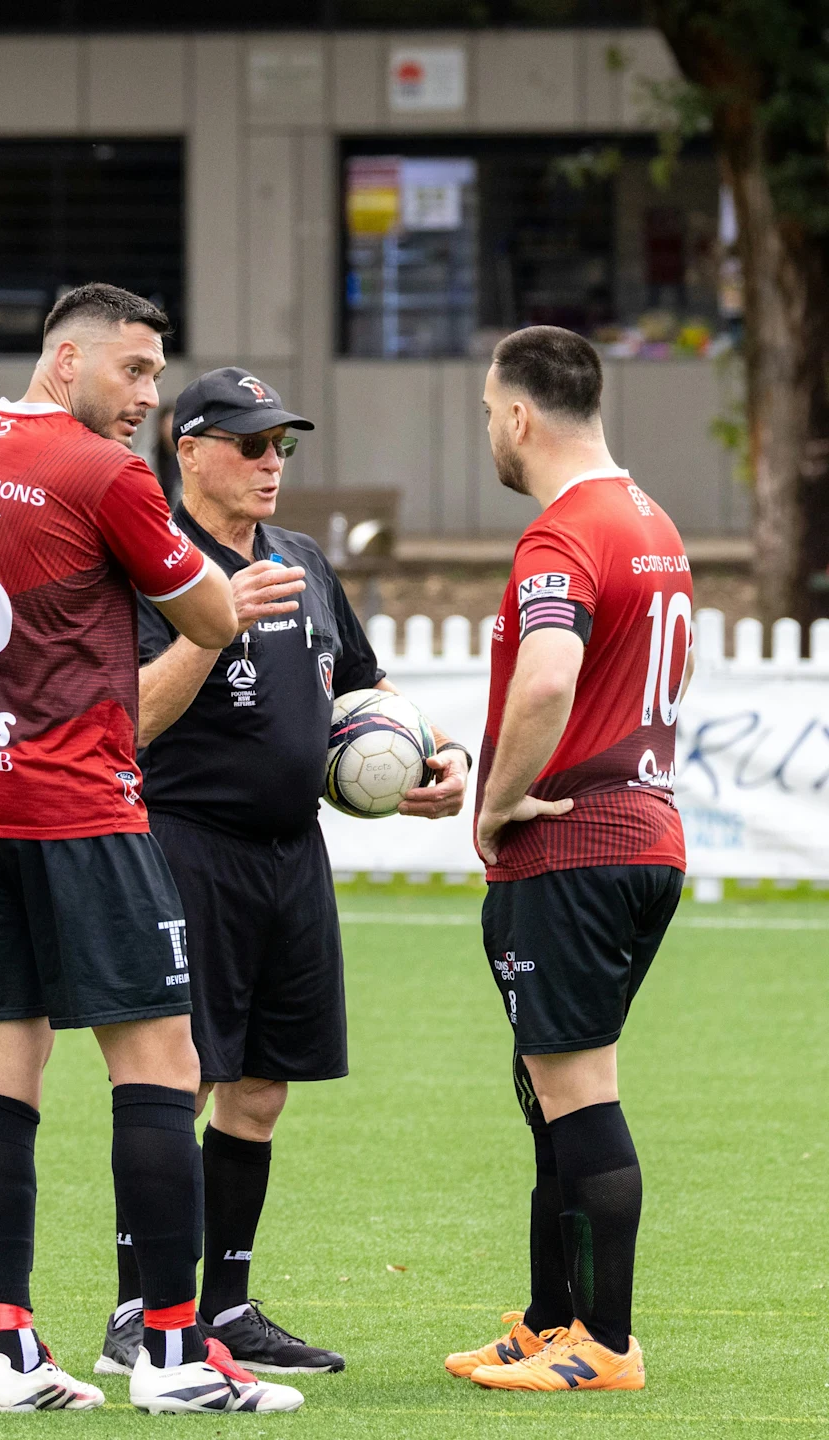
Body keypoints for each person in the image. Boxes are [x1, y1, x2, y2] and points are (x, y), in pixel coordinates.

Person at [0, 285, 306, 1417]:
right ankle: (172, 1358)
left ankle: (13, 1355)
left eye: (157, 374)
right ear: (66, 360)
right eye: (134, 370)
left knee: (4, 1071)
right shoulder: (103, 475)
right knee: (163, 1063)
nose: (148, 397)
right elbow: (212, 619)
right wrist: (224, 599)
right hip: (79, 807)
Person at [96, 366, 471, 1378]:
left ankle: (226, 1306)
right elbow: (129, 720)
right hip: (184, 845)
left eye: (283, 445)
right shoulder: (154, 562)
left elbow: (365, 685)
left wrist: (437, 750)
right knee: (177, 1080)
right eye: (253, 444)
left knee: (261, 1090)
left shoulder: (302, 559)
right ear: (189, 451)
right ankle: (139, 1310)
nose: (273, 463)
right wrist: (212, 621)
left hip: (292, 854)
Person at [445, 326, 694, 1392]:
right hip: (644, 835)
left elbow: (549, 679)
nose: (488, 434)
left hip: (575, 848)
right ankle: (553, 1320)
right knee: (551, 1085)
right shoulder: (650, 520)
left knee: (580, 1092)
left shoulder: (563, 533)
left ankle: (607, 1342)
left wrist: (499, 802)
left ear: (518, 415)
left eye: (486, 415)